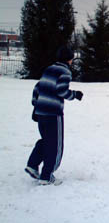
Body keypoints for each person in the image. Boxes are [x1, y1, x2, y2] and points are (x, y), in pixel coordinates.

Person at [25, 46, 83, 185]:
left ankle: (32, 165)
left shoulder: (49, 69)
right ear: (70, 59)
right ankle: (46, 176)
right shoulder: (65, 72)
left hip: (41, 111)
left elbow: (37, 88)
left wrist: (36, 106)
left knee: (46, 140)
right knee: (55, 146)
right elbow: (61, 91)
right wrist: (75, 94)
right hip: (53, 113)